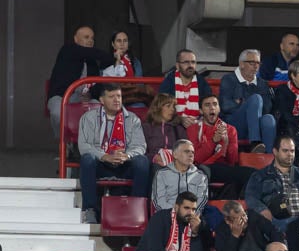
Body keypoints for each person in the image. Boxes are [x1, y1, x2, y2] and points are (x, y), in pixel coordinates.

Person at [77, 83, 150, 224]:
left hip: (124, 164)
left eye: (119, 96)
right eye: (112, 97)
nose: (117, 100)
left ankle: (136, 208)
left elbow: (140, 146)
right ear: (102, 100)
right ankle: (89, 210)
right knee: (87, 159)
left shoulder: (132, 119)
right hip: (101, 164)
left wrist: (127, 156)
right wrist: (104, 156)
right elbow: (84, 146)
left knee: (142, 161)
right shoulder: (88, 118)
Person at [245, 135, 299, 232]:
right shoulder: (260, 176)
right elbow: (251, 197)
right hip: (279, 221)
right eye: (285, 151)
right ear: (275, 152)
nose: (290, 154)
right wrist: (262, 210)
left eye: (292, 151)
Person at [46, 24, 109, 136]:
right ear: (76, 39)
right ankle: (64, 144)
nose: (90, 41)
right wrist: (115, 57)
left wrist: (90, 95)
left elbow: (97, 86)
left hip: (84, 99)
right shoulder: (67, 50)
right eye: (86, 37)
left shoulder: (92, 62)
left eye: (92, 38)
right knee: (57, 113)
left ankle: (87, 145)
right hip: (62, 96)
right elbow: (98, 54)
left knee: (101, 111)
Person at [190, 96, 253, 197]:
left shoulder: (230, 129)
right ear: (201, 111)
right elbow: (196, 158)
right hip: (201, 168)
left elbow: (232, 161)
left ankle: (229, 198)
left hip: (222, 168)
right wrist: (213, 141)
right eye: (207, 105)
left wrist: (226, 143)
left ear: (219, 109)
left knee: (253, 174)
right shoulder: (193, 129)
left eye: (215, 104)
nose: (212, 108)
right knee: (201, 171)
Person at [219, 48, 277, 149]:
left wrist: (242, 102)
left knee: (269, 119)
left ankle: (269, 159)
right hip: (235, 125)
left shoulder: (262, 84)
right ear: (241, 64)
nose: (256, 66)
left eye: (258, 63)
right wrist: (250, 105)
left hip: (256, 124)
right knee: (256, 99)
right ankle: (254, 142)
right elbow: (226, 106)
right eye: (252, 63)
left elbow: (267, 108)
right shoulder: (228, 79)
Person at [151, 138, 208, 211]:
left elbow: (201, 200)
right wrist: (175, 213)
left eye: (193, 152)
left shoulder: (201, 176)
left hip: (191, 216)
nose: (191, 155)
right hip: (167, 215)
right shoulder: (162, 174)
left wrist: (189, 214)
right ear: (175, 155)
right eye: (186, 151)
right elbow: (159, 201)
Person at [157, 49, 214, 120]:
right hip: (173, 124)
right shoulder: (169, 82)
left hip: (198, 123)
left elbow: (209, 108)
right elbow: (162, 109)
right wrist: (179, 120)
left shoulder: (202, 82)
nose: (190, 65)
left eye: (193, 62)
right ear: (177, 65)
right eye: (186, 62)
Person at [141, 93, 191, 168]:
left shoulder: (178, 128)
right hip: (153, 164)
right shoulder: (146, 127)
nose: (172, 109)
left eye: (173, 107)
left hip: (175, 164)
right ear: (158, 108)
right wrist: (154, 157)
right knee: (157, 167)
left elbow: (187, 150)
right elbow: (140, 151)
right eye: (168, 106)